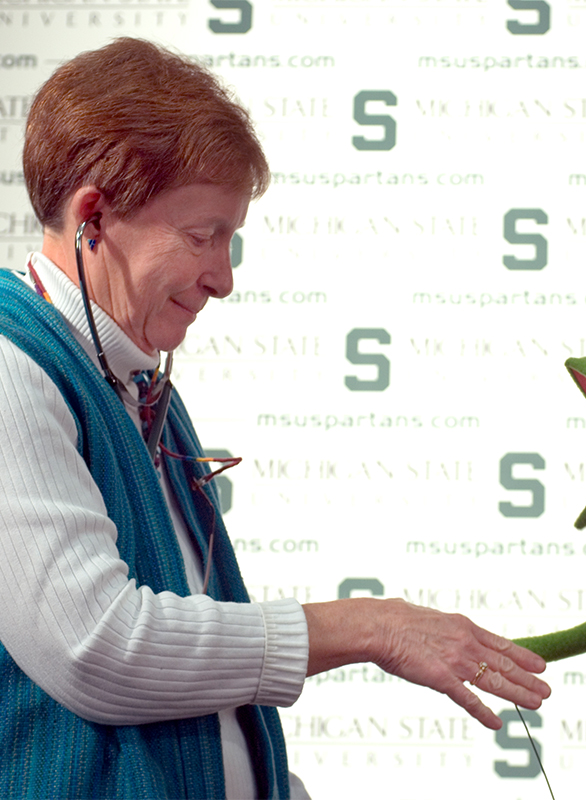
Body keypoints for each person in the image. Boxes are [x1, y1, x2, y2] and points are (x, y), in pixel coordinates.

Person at [0, 37, 550, 798]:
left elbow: (197, 701)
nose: (223, 279)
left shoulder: (135, 385)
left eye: (231, 241)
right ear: (93, 215)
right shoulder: (10, 366)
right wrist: (372, 628)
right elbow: (101, 648)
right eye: (202, 237)